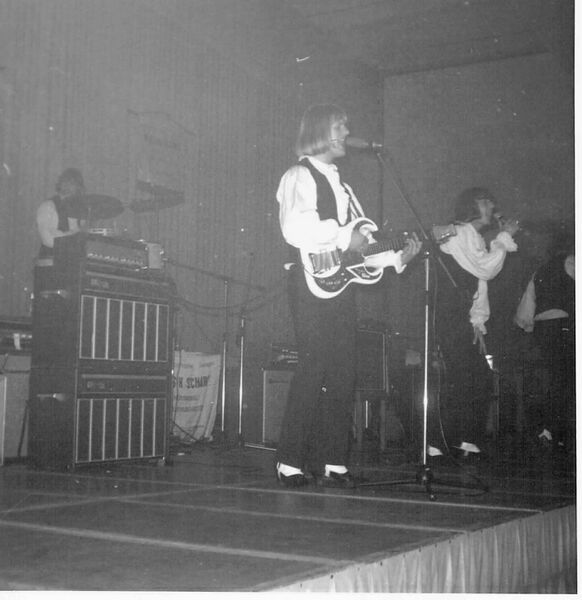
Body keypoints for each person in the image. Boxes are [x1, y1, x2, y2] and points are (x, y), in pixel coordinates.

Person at [275, 103, 422, 488]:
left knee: (343, 370)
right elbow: (296, 228)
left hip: (340, 285)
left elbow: (365, 245)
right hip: (309, 281)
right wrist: (343, 236)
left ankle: (333, 462)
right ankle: (289, 461)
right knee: (313, 365)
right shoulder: (298, 175)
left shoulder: (343, 187)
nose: (346, 132)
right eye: (340, 126)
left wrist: (397, 257)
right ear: (320, 132)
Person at [432, 187, 519, 460]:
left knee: (475, 377)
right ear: (471, 206)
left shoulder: (475, 237)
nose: (491, 207)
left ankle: (462, 440)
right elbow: (485, 269)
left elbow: (479, 286)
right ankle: (440, 440)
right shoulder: (460, 232)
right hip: (448, 315)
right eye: (485, 202)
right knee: (462, 377)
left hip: (461, 317)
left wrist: (477, 323)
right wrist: (504, 238)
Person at [514, 245, 575, 451]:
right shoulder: (571, 262)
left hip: (542, 328)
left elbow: (526, 307)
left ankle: (548, 430)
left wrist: (529, 328)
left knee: (553, 377)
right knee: (563, 380)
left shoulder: (539, 272)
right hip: (562, 325)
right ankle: (554, 430)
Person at [36, 168, 87, 261]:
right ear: (59, 183)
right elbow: (47, 239)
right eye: (65, 181)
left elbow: (80, 236)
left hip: (71, 262)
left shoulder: (79, 209)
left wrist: (61, 235)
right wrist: (71, 237)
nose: (68, 185)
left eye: (73, 183)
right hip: (50, 261)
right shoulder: (48, 206)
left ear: (78, 188)